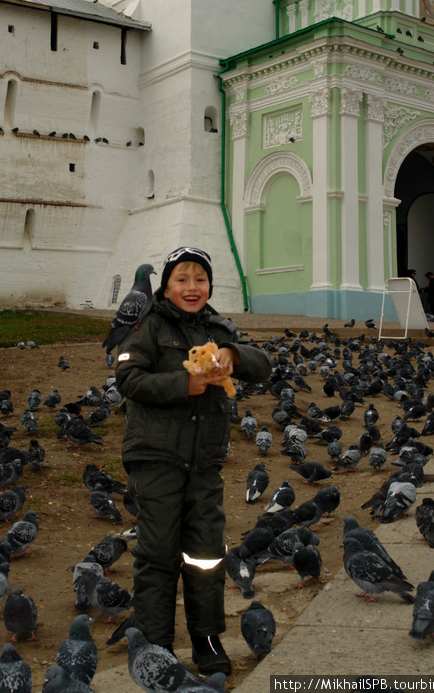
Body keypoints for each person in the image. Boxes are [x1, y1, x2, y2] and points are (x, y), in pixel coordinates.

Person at [115, 246, 271, 675]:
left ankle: (206, 636)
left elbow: (264, 364)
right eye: (181, 279)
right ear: (165, 287)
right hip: (156, 457)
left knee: (206, 552)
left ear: (209, 287)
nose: (191, 287)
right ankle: (156, 640)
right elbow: (128, 377)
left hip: (204, 462)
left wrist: (233, 356)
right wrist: (187, 383)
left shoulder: (219, 328)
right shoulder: (148, 325)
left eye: (199, 279)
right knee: (158, 551)